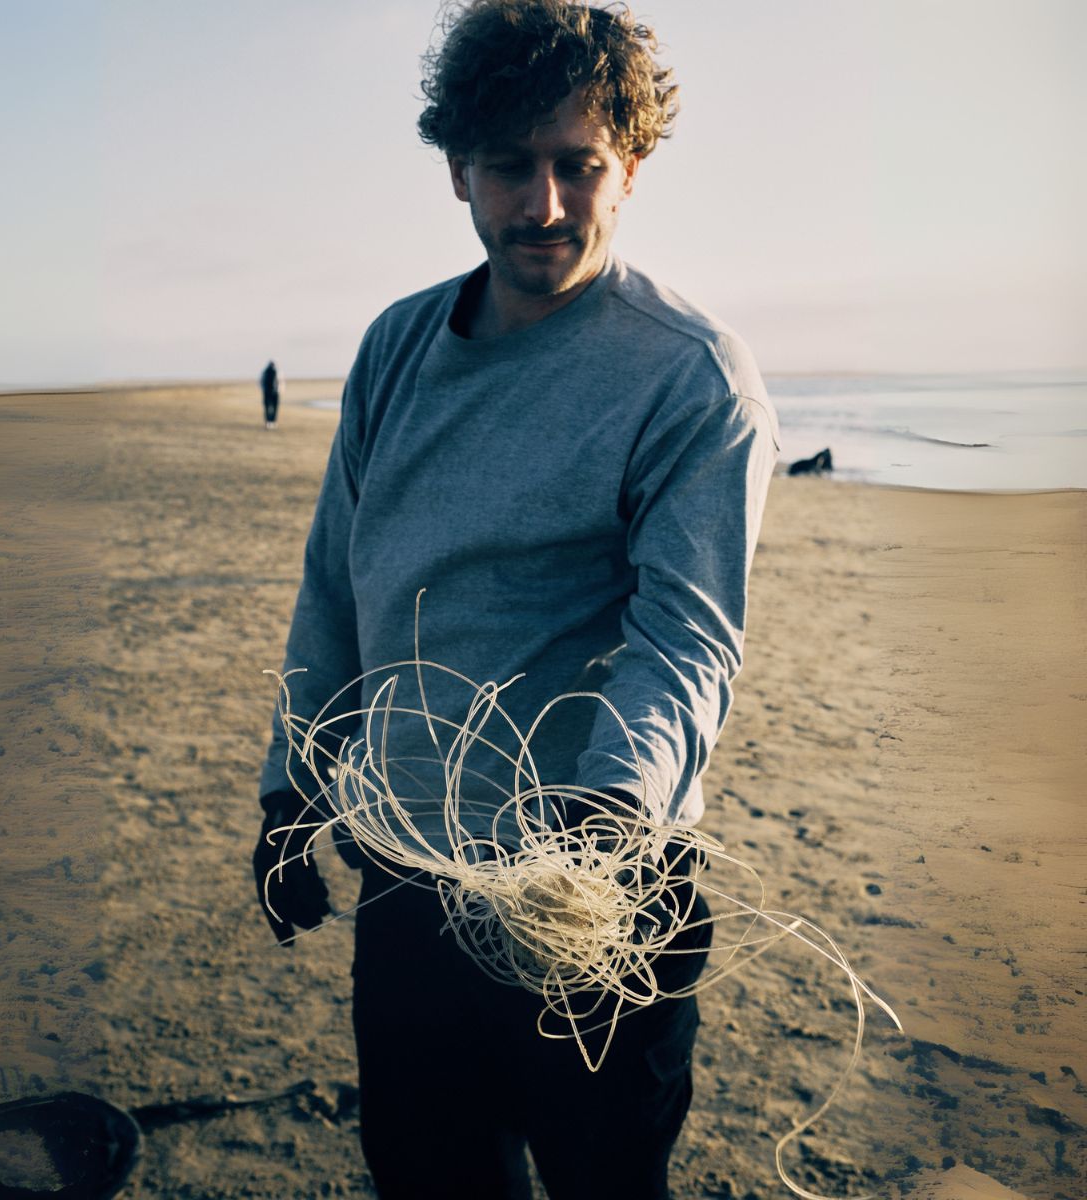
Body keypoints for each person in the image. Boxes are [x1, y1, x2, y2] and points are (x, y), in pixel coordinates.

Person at [253, 3, 779, 1197]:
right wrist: (292, 781)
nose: (543, 205)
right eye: (509, 165)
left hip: (596, 890)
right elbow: (340, 576)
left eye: (577, 165)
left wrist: (602, 819)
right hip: (409, 865)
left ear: (629, 167)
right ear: (458, 170)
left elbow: (686, 636)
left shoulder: (690, 375)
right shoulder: (395, 349)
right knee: (432, 1177)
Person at [260, 359, 279, 428]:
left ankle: (268, 422)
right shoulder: (277, 372)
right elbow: (280, 382)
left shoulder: (265, 372)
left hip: (267, 392)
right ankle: (272, 421)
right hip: (274, 392)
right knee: (273, 408)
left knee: (268, 407)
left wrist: (264, 390)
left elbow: (260, 382)